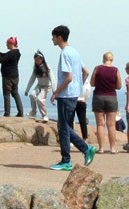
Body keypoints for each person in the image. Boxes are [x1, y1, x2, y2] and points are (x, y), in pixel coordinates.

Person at [48, 25, 95, 171]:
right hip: (74, 94)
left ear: (59, 37)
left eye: (54, 37)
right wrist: (79, 86)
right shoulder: (74, 51)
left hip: (66, 94)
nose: (52, 39)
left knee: (63, 128)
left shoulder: (65, 54)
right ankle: (82, 150)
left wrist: (56, 92)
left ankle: (69, 158)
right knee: (65, 126)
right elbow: (85, 71)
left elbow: (68, 77)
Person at [90, 51, 122, 154]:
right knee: (111, 125)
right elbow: (119, 86)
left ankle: (101, 148)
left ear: (103, 58)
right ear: (112, 59)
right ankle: (112, 148)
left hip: (98, 96)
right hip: (111, 97)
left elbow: (92, 83)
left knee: (100, 124)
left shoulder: (97, 68)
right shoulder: (115, 70)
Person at [0, 37, 24, 117]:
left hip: (8, 77)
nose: (6, 45)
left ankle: (7, 113)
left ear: (11, 44)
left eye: (7, 43)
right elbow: (4, 56)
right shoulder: (16, 53)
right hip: (15, 76)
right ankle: (20, 111)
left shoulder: (11, 53)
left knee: (6, 95)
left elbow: (2, 60)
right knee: (15, 93)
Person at [25, 50, 53, 122]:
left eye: (38, 59)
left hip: (46, 86)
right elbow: (32, 79)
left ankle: (45, 115)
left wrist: (55, 91)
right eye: (35, 60)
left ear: (42, 59)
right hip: (39, 85)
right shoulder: (35, 68)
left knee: (39, 99)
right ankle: (33, 112)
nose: (37, 61)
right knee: (32, 95)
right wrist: (27, 90)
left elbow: (52, 79)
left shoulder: (47, 67)